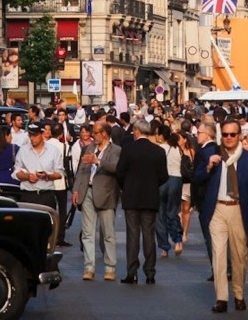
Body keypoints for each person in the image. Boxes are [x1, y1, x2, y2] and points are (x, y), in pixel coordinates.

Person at [197, 119, 248, 313]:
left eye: (232, 135)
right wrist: (209, 167)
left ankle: (238, 294)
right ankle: (221, 298)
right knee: (218, 255)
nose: (228, 138)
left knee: (239, 256)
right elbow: (197, 178)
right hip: (217, 210)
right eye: (225, 134)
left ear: (239, 136)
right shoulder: (211, 154)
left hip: (238, 209)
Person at [115, 119, 168, 284]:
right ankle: (150, 272)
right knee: (148, 234)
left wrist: (126, 186)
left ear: (137, 131)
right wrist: (152, 185)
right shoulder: (158, 151)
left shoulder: (128, 149)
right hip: (150, 197)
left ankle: (132, 272)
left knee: (132, 235)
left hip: (131, 196)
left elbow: (120, 172)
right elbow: (163, 176)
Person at [72, 121, 121, 281]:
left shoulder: (116, 150)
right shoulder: (90, 147)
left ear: (105, 134)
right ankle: (89, 267)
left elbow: (117, 168)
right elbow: (81, 170)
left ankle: (110, 267)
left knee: (108, 233)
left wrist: (98, 161)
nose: (93, 135)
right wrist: (76, 190)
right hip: (87, 191)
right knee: (87, 232)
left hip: (106, 193)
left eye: (96, 132)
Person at [193, 120, 220, 279]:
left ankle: (217, 268)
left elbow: (199, 176)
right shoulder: (217, 149)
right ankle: (225, 266)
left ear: (208, 134)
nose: (197, 135)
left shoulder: (204, 152)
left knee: (210, 235)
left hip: (205, 197)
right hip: (214, 196)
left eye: (199, 133)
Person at [12, 121, 62, 208]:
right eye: (30, 135)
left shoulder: (53, 151)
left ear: (42, 134)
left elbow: (59, 174)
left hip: (47, 195)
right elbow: (16, 173)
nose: (32, 138)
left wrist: (47, 176)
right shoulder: (23, 150)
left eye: (35, 135)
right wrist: (27, 176)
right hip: (28, 195)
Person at [156, 127, 184, 258]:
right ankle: (178, 240)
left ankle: (164, 247)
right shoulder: (177, 148)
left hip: (162, 180)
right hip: (176, 179)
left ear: (161, 136)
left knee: (160, 214)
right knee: (173, 212)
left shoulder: (159, 148)